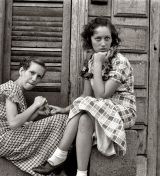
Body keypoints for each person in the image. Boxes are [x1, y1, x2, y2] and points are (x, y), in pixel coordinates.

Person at [32, 17, 137, 176]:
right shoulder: (90, 62)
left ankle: (58, 157)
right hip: (99, 109)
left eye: (107, 38)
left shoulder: (120, 62)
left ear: (113, 40)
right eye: (98, 39)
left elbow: (101, 95)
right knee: (84, 119)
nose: (103, 43)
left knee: (87, 106)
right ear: (90, 40)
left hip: (123, 111)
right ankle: (81, 173)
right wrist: (65, 109)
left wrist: (97, 63)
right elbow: (86, 95)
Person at [0, 58, 68, 176]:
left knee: (59, 122)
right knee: (61, 119)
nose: (34, 79)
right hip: (2, 139)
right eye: (32, 73)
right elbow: (13, 123)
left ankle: (55, 166)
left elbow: (20, 121)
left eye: (39, 76)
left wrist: (37, 112)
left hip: (6, 138)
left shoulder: (18, 91)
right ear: (22, 71)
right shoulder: (11, 88)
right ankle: (56, 164)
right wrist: (35, 104)